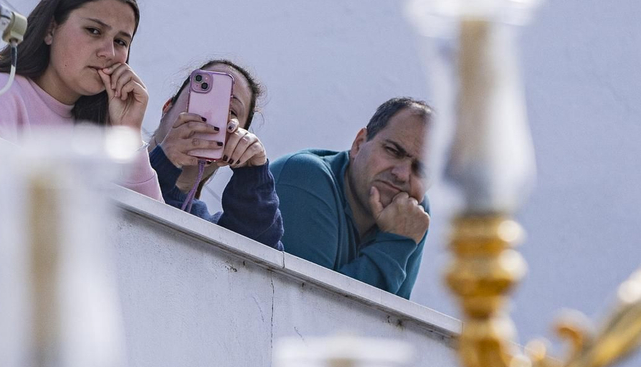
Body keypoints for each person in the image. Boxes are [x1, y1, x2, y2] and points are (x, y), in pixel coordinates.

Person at [0, 0, 162, 200]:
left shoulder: (104, 130)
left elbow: (151, 233)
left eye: (121, 42)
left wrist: (129, 135)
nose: (110, 53)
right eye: (94, 31)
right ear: (50, 29)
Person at [271, 97, 432, 299]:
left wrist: (399, 240)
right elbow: (310, 313)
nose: (401, 174)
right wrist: (396, 243)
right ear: (359, 144)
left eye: (422, 170)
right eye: (393, 151)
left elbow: (391, 323)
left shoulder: (412, 215)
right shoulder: (304, 176)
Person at [147, 61, 283, 249]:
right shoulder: (106, 164)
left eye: (232, 111)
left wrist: (252, 178)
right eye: (199, 99)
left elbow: (262, 253)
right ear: (166, 108)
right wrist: (162, 162)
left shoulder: (208, 228)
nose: (211, 116)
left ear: (237, 135)